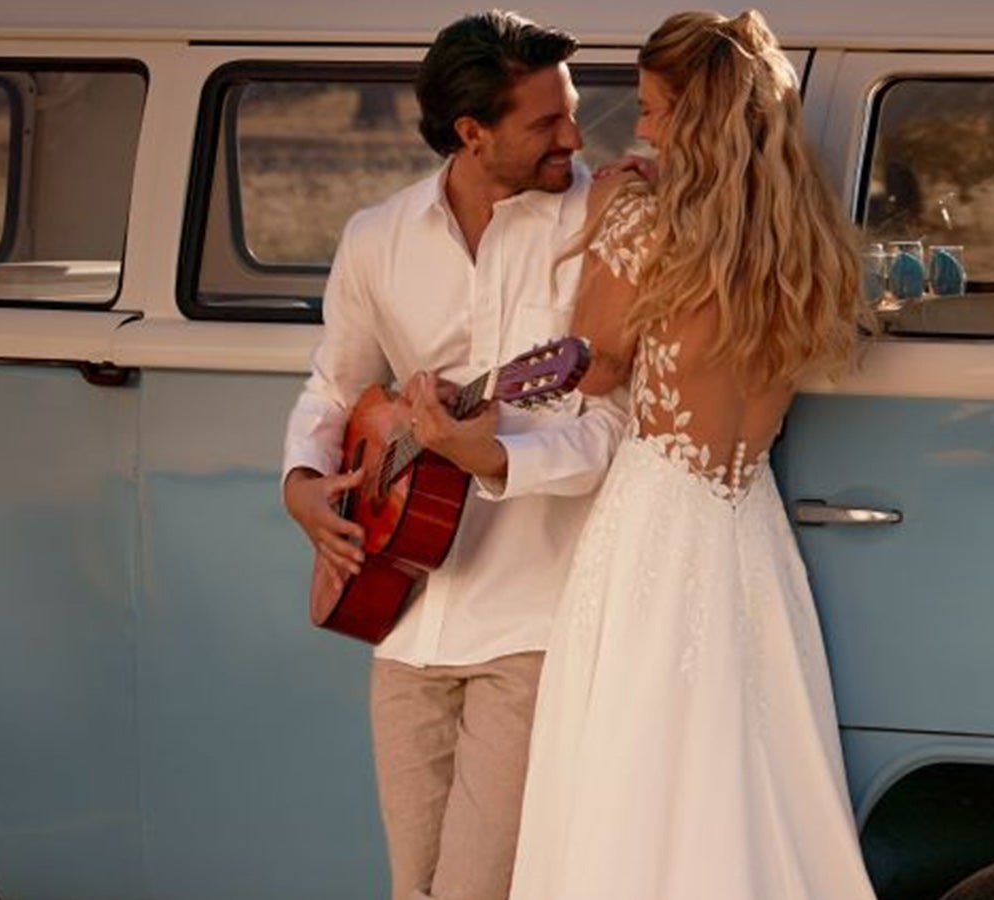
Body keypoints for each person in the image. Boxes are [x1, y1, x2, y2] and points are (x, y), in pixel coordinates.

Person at [508, 9, 877, 899]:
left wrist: (609, 209)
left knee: (631, 761)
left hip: (655, 522)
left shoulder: (642, 226)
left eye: (650, 108)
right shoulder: (809, 245)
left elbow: (595, 367)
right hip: (748, 527)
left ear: (696, 117)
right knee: (749, 767)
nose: (640, 129)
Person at [276, 12, 627, 900]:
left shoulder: (605, 226)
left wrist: (495, 458)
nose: (574, 138)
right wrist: (303, 486)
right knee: (413, 887)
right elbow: (334, 389)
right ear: (472, 133)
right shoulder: (376, 237)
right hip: (401, 613)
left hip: (535, 618)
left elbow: (618, 428)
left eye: (571, 111)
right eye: (546, 122)